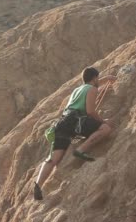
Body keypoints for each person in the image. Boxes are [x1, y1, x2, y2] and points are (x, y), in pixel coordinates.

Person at [33, 67, 116, 200]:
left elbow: (91, 86)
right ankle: (81, 149)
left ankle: (38, 185)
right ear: (94, 78)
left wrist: (107, 79)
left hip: (62, 123)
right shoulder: (93, 89)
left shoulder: (77, 90)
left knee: (53, 159)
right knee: (105, 129)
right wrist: (103, 121)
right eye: (98, 78)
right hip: (76, 122)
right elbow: (90, 111)